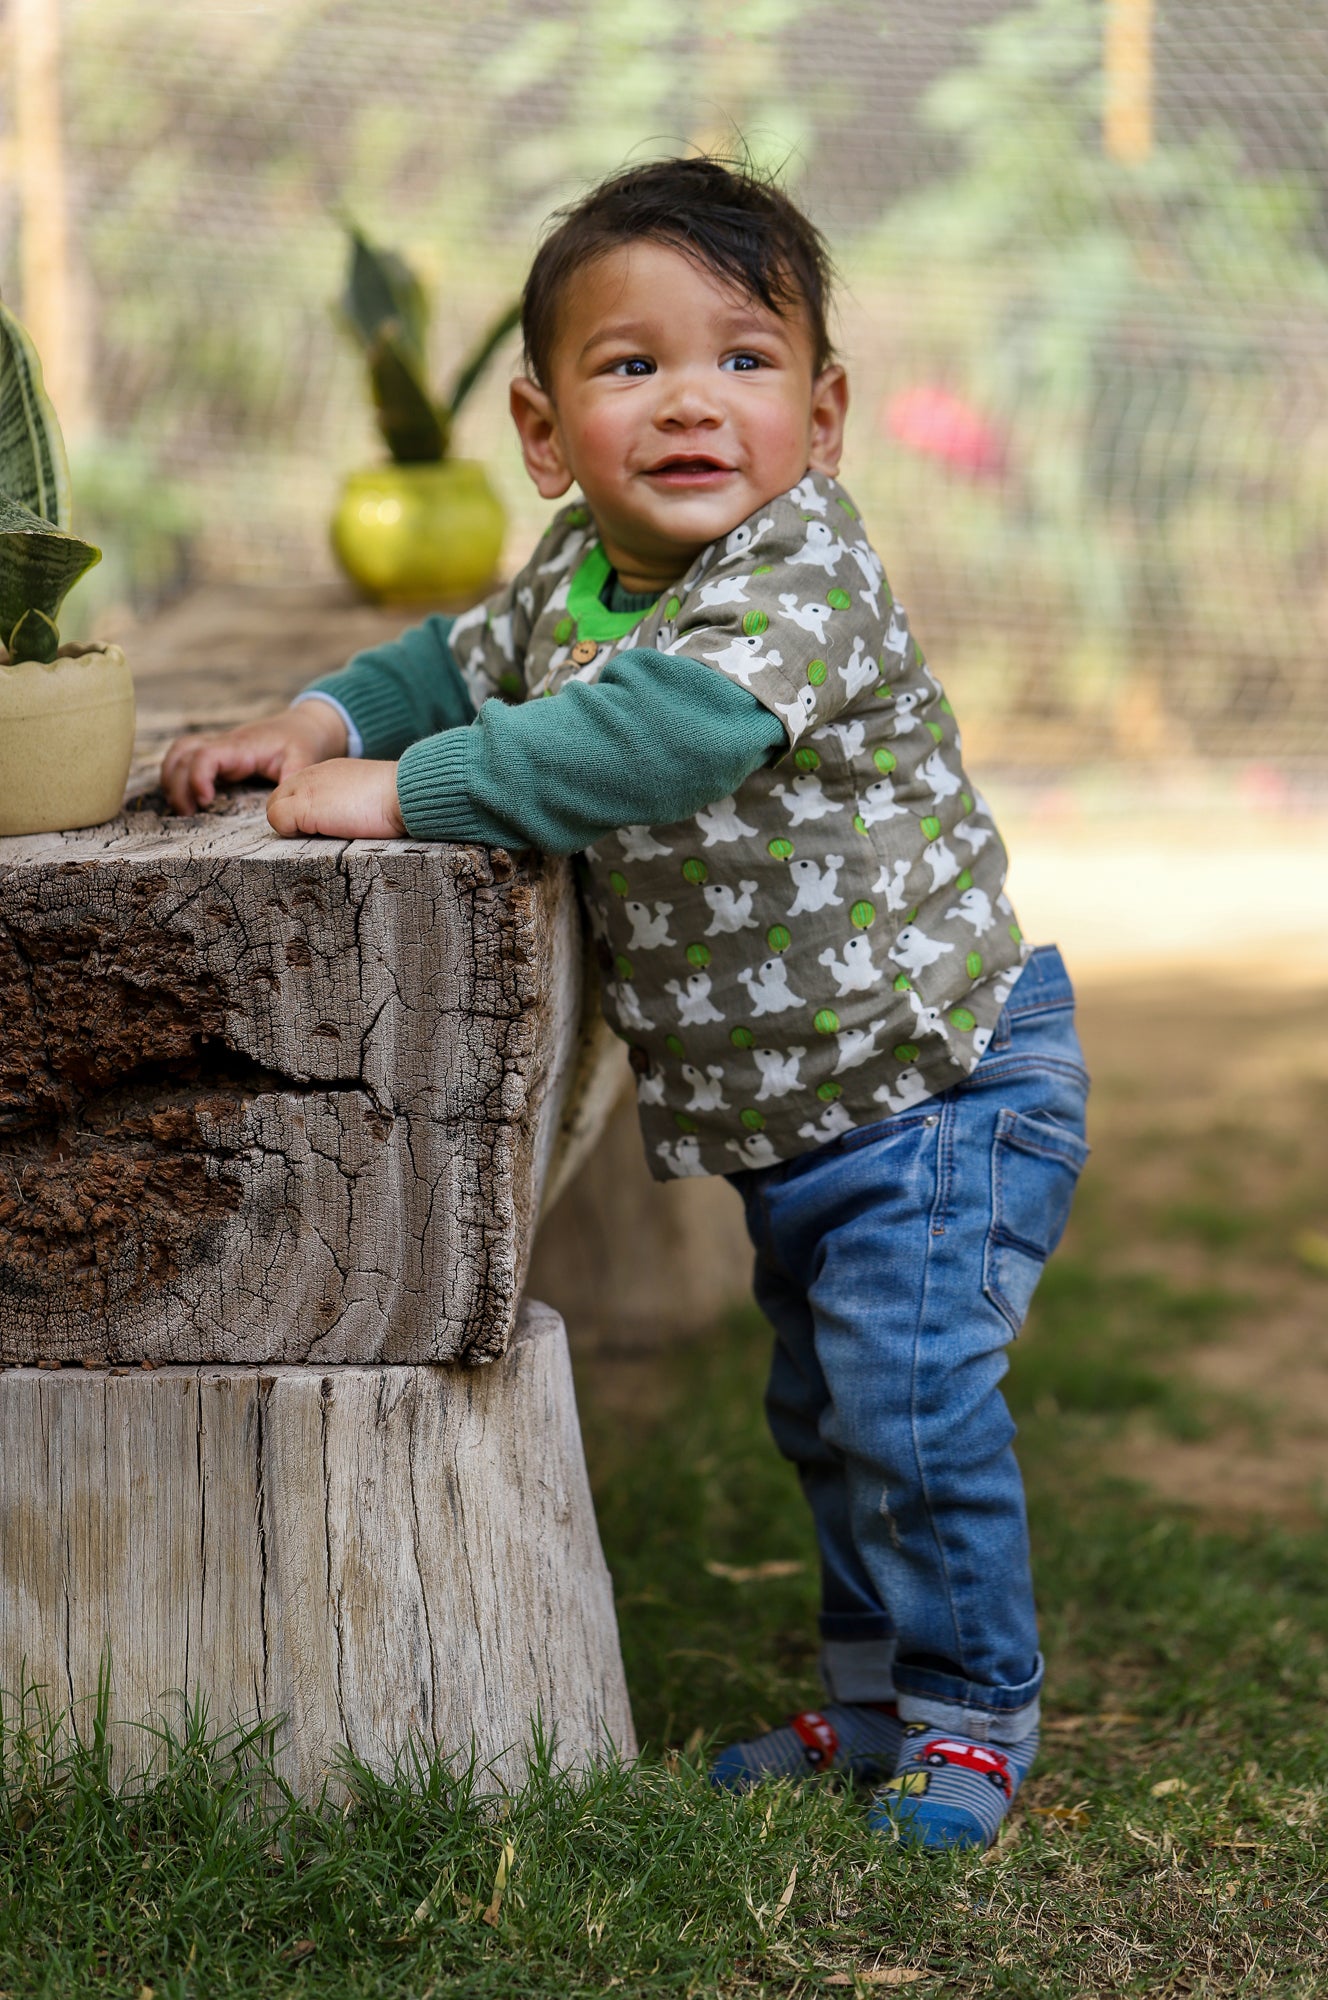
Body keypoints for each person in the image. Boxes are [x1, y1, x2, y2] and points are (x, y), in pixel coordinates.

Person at [161, 155, 1089, 1851]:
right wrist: (317, 725)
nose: (690, 402)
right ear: (541, 430)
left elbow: (656, 735)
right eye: (630, 364)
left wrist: (411, 790)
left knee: (906, 1400)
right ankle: (879, 1711)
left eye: (743, 359)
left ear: (825, 416)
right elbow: (452, 659)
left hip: (941, 1080)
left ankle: (975, 1720)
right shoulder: (583, 572)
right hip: (810, 1121)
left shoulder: (799, 580)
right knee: (830, 1411)